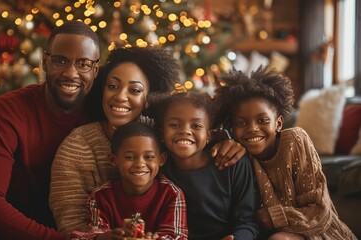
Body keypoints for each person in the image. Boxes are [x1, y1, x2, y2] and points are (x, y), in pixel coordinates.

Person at [49, 46, 246, 234]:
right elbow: (72, 227)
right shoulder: (77, 146)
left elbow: (192, 137)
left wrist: (226, 140)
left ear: (148, 98)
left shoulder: (159, 131)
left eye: (134, 90)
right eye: (112, 86)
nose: (120, 96)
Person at [0, 21, 100, 240]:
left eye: (84, 64)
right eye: (60, 60)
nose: (71, 73)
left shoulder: (103, 114)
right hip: (11, 230)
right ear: (44, 62)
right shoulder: (12, 109)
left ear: (96, 69)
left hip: (74, 228)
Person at [214, 66, 357, 239]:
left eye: (263, 120)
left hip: (316, 233)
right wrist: (220, 139)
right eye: (241, 123)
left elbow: (318, 211)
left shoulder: (295, 140)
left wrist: (271, 216)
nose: (252, 129)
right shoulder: (238, 151)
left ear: (279, 123)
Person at [155, 91, 259, 240]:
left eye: (196, 125)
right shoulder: (157, 168)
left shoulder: (233, 164)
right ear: (162, 133)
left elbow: (247, 221)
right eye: (174, 125)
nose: (185, 131)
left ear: (209, 136)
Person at [73, 122, 188, 240]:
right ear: (113, 160)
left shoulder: (171, 194)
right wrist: (104, 237)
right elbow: (94, 233)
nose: (140, 164)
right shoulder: (100, 196)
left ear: (161, 159)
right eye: (130, 157)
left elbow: (176, 236)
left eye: (149, 157)